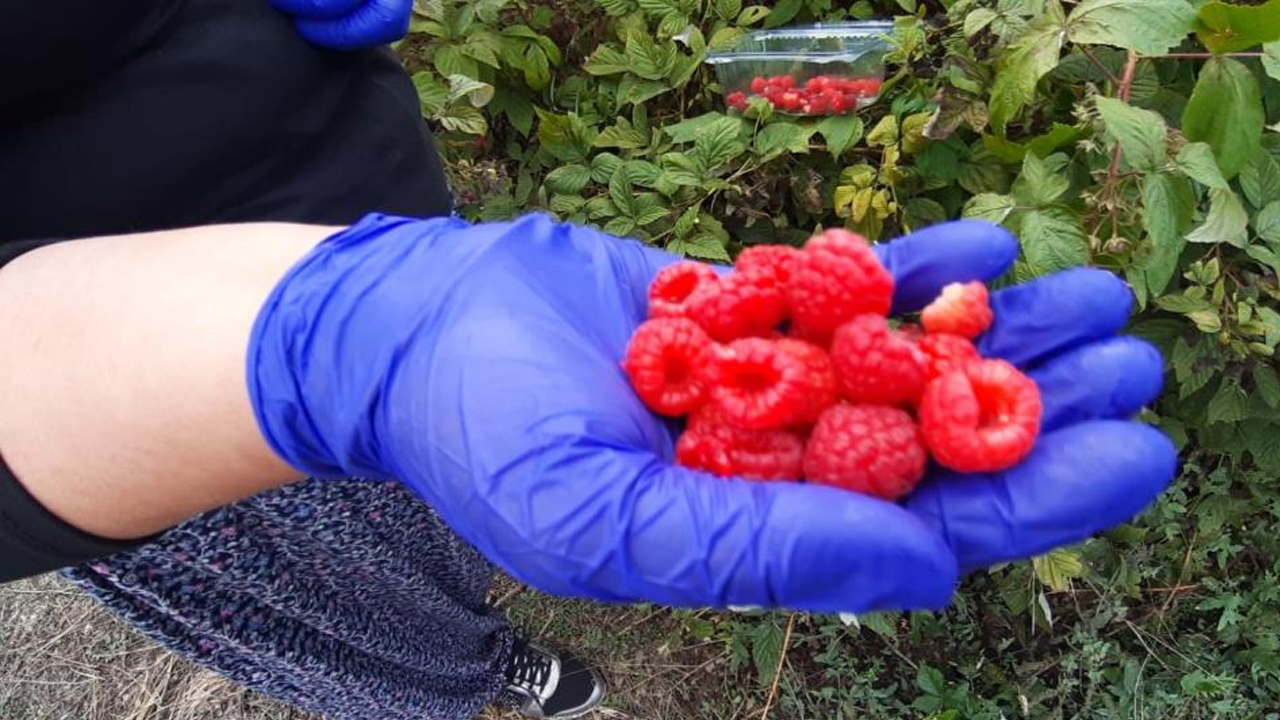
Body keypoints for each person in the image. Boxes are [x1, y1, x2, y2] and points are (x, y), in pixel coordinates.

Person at [0, 2, 1177, 720]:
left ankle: (486, 635)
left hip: (403, 236)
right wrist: (339, 338)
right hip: (114, 414)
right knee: (346, 602)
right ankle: (461, 683)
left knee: (456, 507)